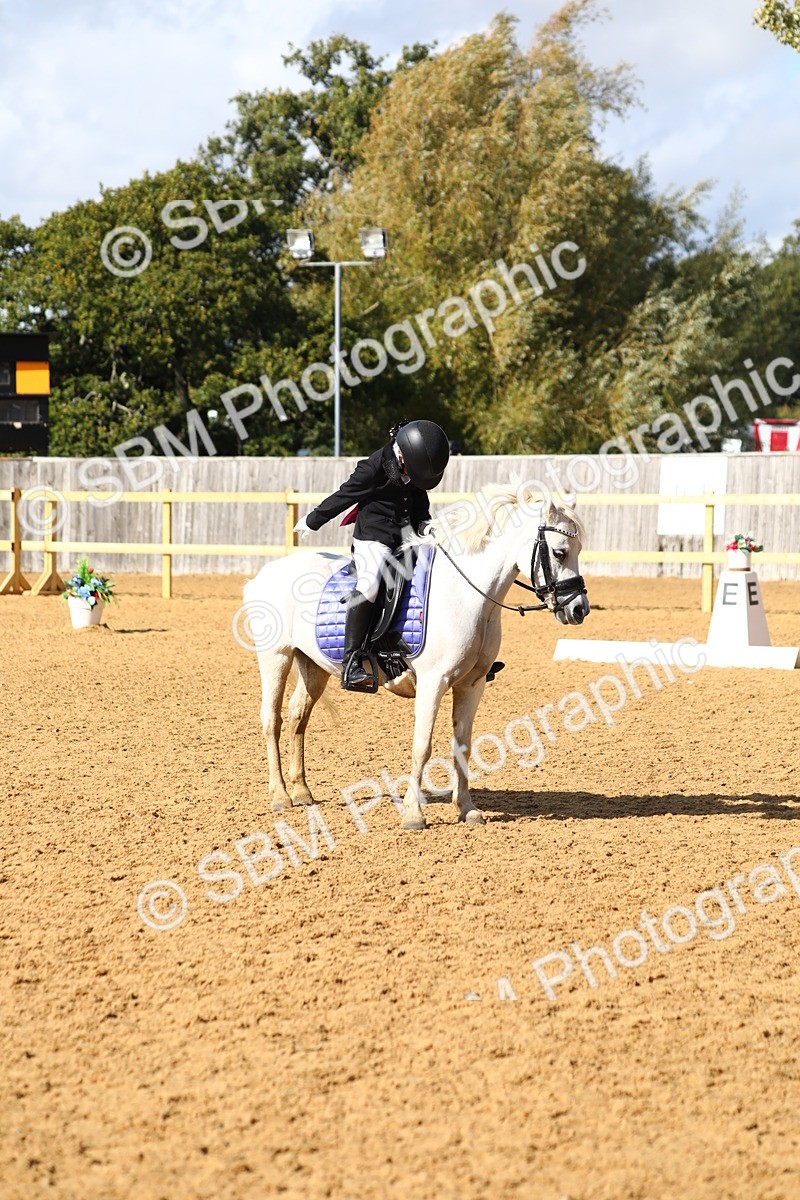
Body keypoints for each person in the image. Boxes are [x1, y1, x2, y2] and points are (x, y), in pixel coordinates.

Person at [294, 419, 450, 689]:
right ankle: (352, 660)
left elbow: (420, 505)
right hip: (373, 538)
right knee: (370, 584)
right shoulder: (373, 467)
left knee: (437, 569)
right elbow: (344, 496)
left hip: (406, 537)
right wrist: (312, 520)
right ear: (403, 453)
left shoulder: (416, 464)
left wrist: (426, 526)